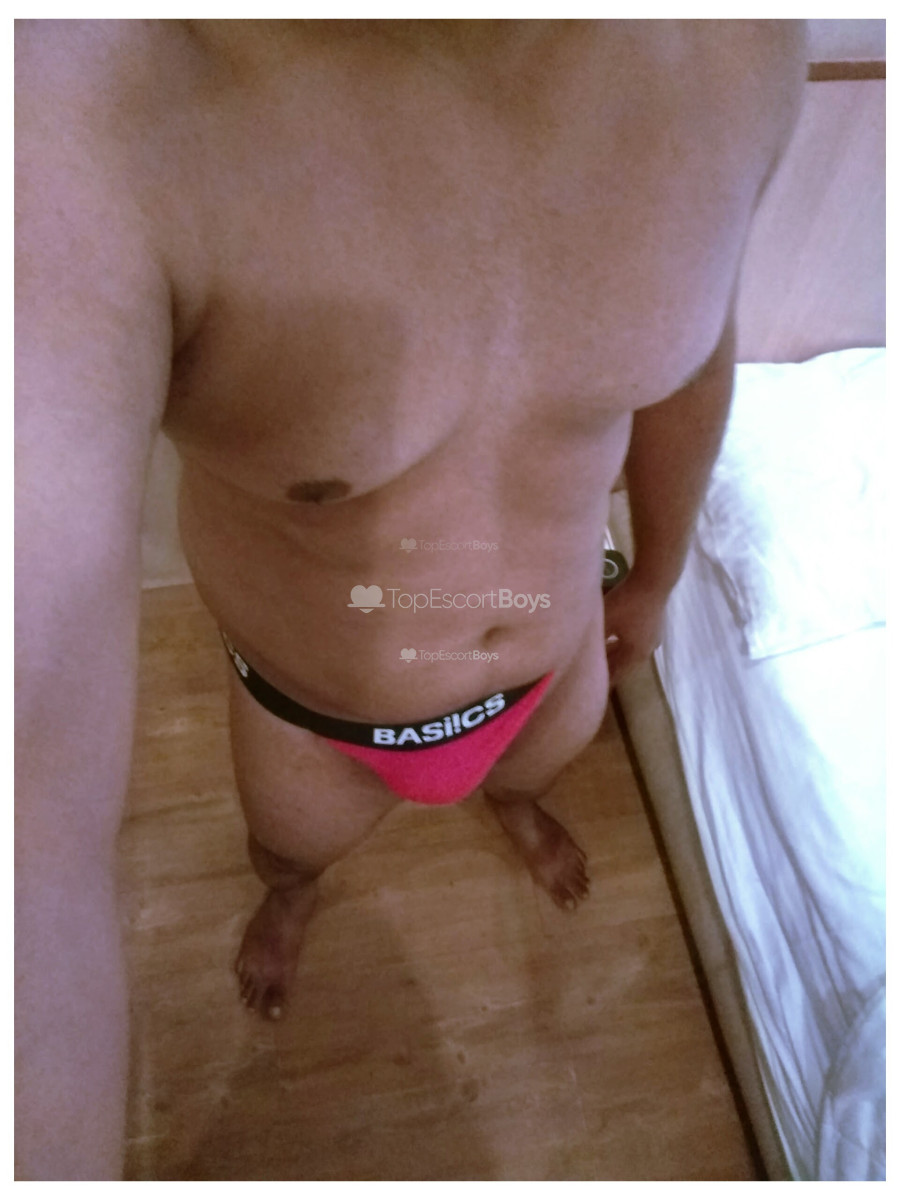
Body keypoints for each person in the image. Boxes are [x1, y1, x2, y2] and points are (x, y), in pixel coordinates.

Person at [15, 18, 806, 1179]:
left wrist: (658, 572)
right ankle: (293, 902)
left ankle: (513, 810)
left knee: (527, 781)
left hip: (552, 674)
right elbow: (23, 792)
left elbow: (696, 349)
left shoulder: (737, 46)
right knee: (287, 857)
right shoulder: (83, 102)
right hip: (318, 725)